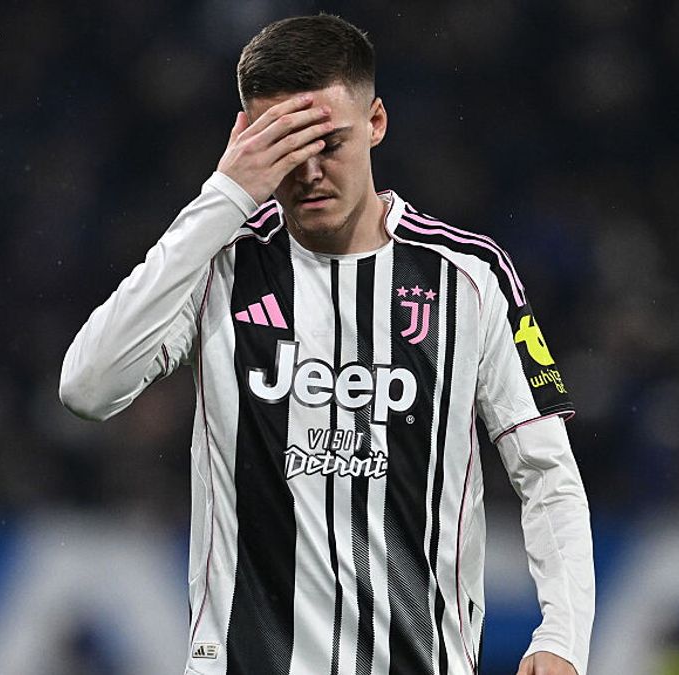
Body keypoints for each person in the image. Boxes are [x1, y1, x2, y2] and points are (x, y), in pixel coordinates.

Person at [59, 14, 593, 675]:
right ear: (248, 140)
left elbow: (547, 473)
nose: (309, 171)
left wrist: (563, 633)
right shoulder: (217, 264)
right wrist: (223, 196)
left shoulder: (470, 278)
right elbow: (87, 387)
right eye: (285, 147)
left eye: (330, 143)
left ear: (376, 122)